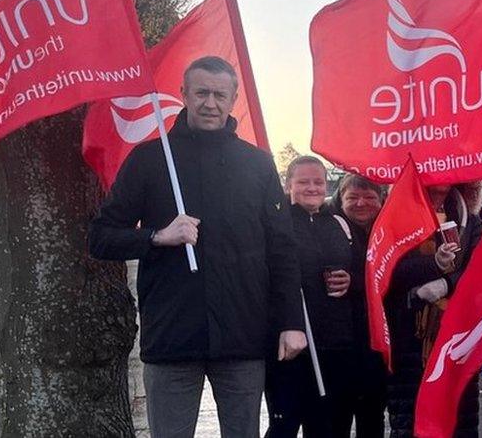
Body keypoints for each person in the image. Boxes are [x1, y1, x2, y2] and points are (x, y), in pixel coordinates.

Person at [89, 56, 306, 438]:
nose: (210, 103)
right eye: (201, 92)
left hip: (242, 336)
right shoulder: (151, 160)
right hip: (173, 338)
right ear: (184, 94)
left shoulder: (257, 165)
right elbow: (101, 237)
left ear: (234, 97)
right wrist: (156, 236)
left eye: (220, 94)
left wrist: (291, 323)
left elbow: (282, 251)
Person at [264, 156, 360, 437]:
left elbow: (362, 270)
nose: (312, 187)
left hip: (336, 344)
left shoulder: (339, 223)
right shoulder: (275, 222)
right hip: (291, 346)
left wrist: (351, 281)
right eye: (303, 181)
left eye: (318, 181)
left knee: (328, 426)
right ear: (288, 184)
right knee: (285, 424)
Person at [384, 183, 482, 437]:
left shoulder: (468, 220)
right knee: (412, 418)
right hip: (409, 334)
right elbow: (386, 270)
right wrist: (433, 265)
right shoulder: (394, 218)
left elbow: (480, 269)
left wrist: (446, 282)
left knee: (459, 418)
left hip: (457, 333)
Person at [331, 173, 390, 437]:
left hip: (377, 340)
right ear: (340, 198)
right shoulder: (327, 226)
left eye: (369, 197)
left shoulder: (390, 227)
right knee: (338, 414)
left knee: (373, 413)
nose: (361, 203)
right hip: (339, 340)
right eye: (352, 197)